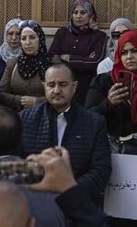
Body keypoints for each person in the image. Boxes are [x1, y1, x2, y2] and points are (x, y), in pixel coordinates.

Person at [19, 62, 113, 204]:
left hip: (77, 206)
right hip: (34, 203)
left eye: (62, 84)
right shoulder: (25, 118)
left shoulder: (94, 123)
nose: (56, 90)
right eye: (51, 85)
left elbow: (101, 169)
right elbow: (14, 161)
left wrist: (69, 190)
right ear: (44, 85)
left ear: (74, 87)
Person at [88, 29, 137, 153]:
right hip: (113, 152)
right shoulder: (104, 81)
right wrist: (108, 103)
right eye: (124, 52)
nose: (129, 57)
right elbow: (88, 119)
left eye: (135, 51)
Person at [48, 0, 109, 104]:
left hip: (86, 86)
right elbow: (52, 57)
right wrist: (84, 60)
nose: (78, 16)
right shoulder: (62, 33)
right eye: (75, 12)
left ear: (91, 15)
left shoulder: (99, 36)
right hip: (62, 84)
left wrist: (69, 58)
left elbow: (95, 62)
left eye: (83, 12)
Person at [0, 19, 50, 112]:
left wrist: (37, 101)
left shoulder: (51, 64)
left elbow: (60, 95)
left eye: (32, 37)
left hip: (45, 115)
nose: (28, 42)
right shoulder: (13, 64)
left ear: (40, 38)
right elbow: (1, 93)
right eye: (23, 38)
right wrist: (19, 100)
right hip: (18, 116)